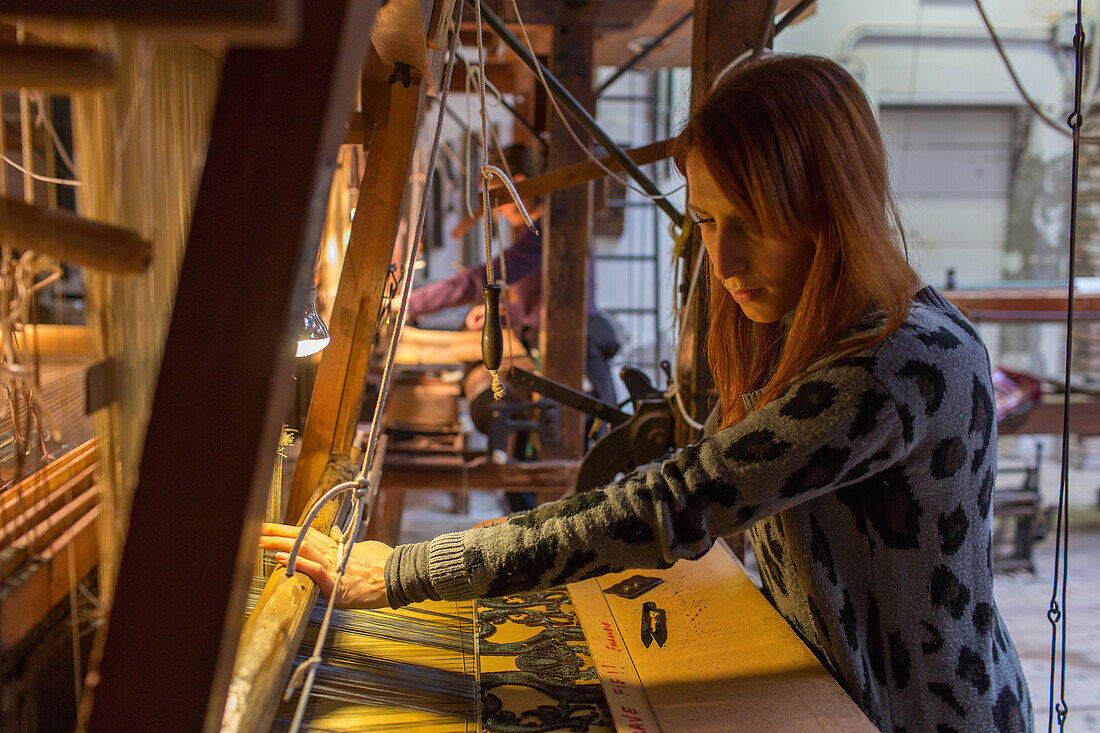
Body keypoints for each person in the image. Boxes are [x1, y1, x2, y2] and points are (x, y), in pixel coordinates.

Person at [261, 54, 1033, 732]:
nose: (723, 260)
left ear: (831, 207)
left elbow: (669, 505)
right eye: (704, 220)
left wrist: (403, 572)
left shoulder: (893, 364)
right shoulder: (821, 329)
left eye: (751, 221)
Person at [404, 143, 621, 409]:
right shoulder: (539, 231)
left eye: (497, 199)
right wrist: (505, 315)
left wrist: (409, 304)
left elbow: (479, 281)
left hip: (579, 370)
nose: (495, 210)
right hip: (563, 356)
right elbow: (543, 301)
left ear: (518, 184)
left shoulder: (547, 234)